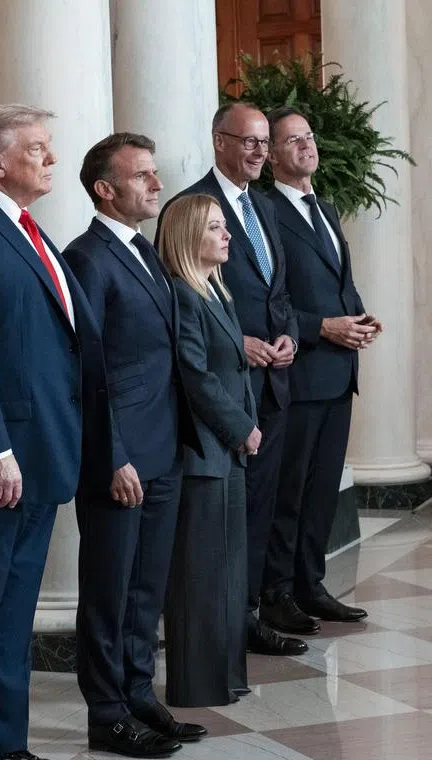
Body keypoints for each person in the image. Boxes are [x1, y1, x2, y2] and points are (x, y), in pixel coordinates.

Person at [0, 104, 112, 760]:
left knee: (11, 617)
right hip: (5, 458)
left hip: (44, 450)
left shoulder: (26, 228)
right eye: (37, 148)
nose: (51, 159)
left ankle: (8, 744)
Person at [63, 133, 203, 757]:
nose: (156, 183)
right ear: (105, 189)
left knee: (146, 587)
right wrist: (111, 453)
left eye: (155, 172)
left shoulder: (144, 250)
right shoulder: (87, 257)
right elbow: (85, 368)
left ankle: (140, 692)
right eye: (142, 175)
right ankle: (107, 712)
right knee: (109, 590)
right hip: (119, 456)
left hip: (164, 446)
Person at [159, 102, 306, 658]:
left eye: (265, 143)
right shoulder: (190, 206)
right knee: (224, 518)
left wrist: (288, 332)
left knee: (262, 506)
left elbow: (279, 292)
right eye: (249, 141)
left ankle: (252, 611)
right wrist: (236, 340)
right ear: (219, 141)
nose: (259, 152)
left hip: (273, 381)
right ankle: (227, 622)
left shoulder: (265, 206)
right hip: (222, 390)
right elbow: (185, 299)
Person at [263, 106, 380, 626]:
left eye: (308, 136)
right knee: (290, 491)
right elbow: (274, 299)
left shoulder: (326, 208)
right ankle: (278, 594)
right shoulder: (265, 212)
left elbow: (338, 282)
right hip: (300, 371)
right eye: (291, 140)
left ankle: (311, 585)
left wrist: (357, 317)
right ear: (269, 155)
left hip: (338, 369)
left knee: (322, 489)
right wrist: (322, 328)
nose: (306, 146)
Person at [158, 194, 259, 708]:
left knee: (229, 573)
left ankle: (226, 677)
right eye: (215, 228)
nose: (227, 236)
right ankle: (197, 685)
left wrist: (248, 426)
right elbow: (195, 375)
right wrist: (242, 426)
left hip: (229, 454)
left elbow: (233, 370)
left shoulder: (217, 292)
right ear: (187, 237)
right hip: (204, 454)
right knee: (200, 578)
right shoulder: (183, 294)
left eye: (225, 227)